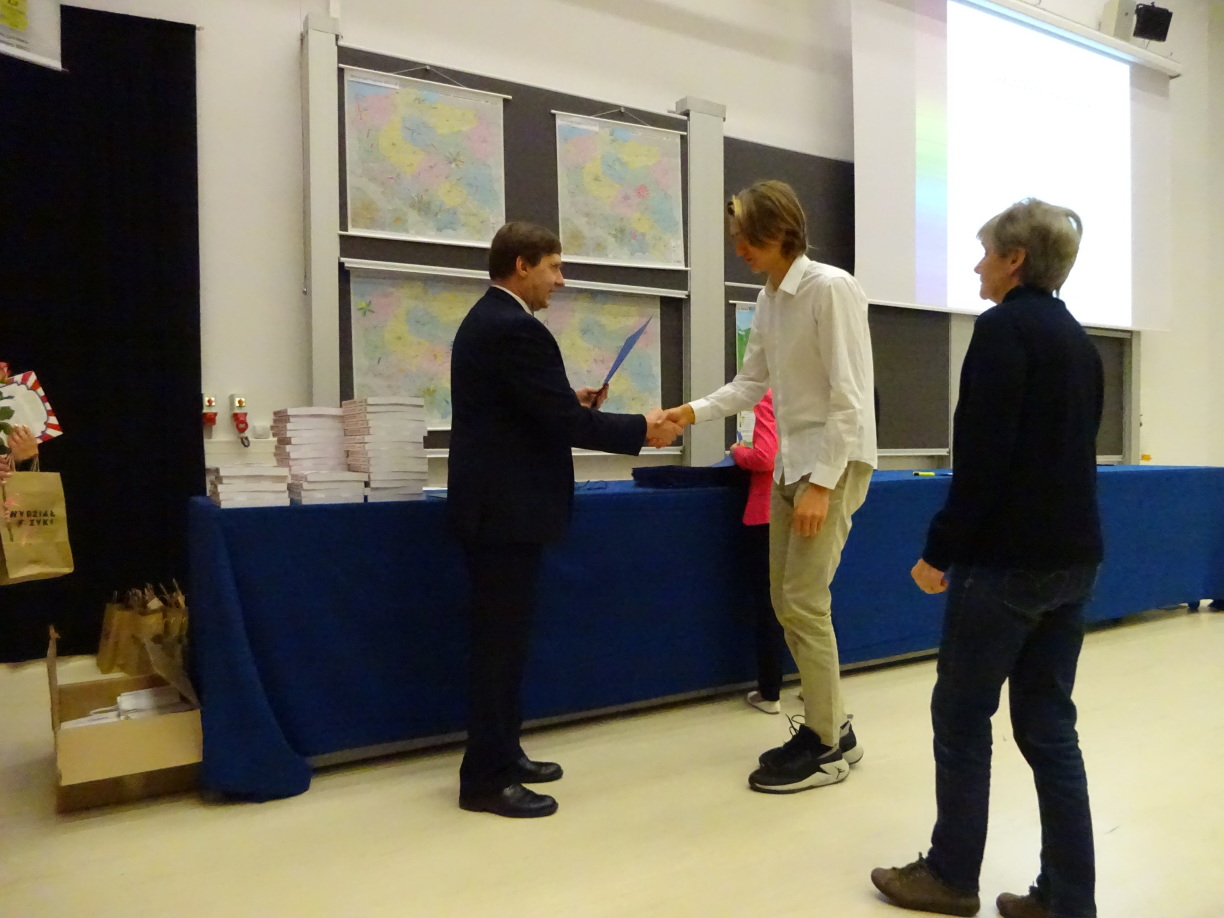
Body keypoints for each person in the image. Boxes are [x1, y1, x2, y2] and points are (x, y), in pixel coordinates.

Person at [872, 199, 1103, 918]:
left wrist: (939, 550)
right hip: (1075, 559)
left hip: (1006, 565)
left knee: (962, 714)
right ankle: (1068, 896)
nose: (977, 266)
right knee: (1049, 727)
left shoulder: (1002, 330)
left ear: (1015, 260)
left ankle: (950, 875)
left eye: (984, 253)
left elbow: (983, 458)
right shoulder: (1079, 340)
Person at [448, 221, 681, 819]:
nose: (560, 279)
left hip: (495, 511)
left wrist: (567, 400)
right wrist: (643, 428)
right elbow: (564, 425)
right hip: (505, 515)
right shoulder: (514, 328)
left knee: (505, 643)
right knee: (499, 648)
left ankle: (504, 754)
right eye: (553, 267)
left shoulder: (489, 321)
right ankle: (485, 779)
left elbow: (531, 410)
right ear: (522, 266)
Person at [663, 180, 877, 793]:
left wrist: (822, 485)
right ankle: (833, 725)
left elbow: (850, 397)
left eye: (746, 237)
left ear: (781, 231)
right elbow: (750, 384)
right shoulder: (769, 297)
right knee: (787, 603)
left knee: (805, 602)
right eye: (736, 237)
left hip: (832, 465)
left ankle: (825, 746)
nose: (740, 248)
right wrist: (689, 413)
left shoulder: (831, 288)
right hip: (790, 463)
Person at [729, 390, 785, 715]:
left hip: (767, 514)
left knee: (769, 607)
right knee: (811, 605)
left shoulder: (771, 397)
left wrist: (738, 451)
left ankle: (770, 692)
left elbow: (764, 457)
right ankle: (816, 691)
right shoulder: (819, 392)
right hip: (809, 510)